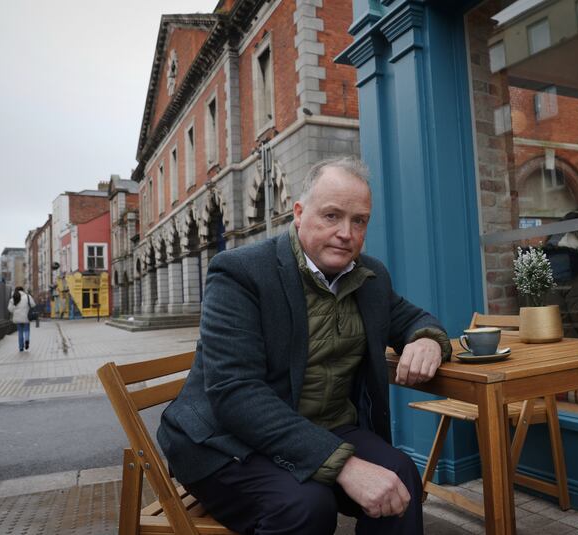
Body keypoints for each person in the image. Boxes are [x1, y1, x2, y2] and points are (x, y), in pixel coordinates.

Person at [158, 157, 451, 535]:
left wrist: (428, 339)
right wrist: (343, 465)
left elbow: (414, 319)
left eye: (359, 220)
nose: (346, 232)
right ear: (299, 213)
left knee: (401, 475)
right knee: (307, 505)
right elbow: (235, 394)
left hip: (324, 426)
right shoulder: (240, 272)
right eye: (332, 216)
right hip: (225, 439)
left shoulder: (370, 277)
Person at [7, 286, 35, 352]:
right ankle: (27, 340)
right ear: (23, 290)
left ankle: (21, 347)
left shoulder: (13, 298)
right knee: (27, 330)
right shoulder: (27, 296)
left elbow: (10, 309)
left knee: (20, 332)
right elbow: (33, 304)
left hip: (17, 318)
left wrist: (15, 310)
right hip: (26, 317)